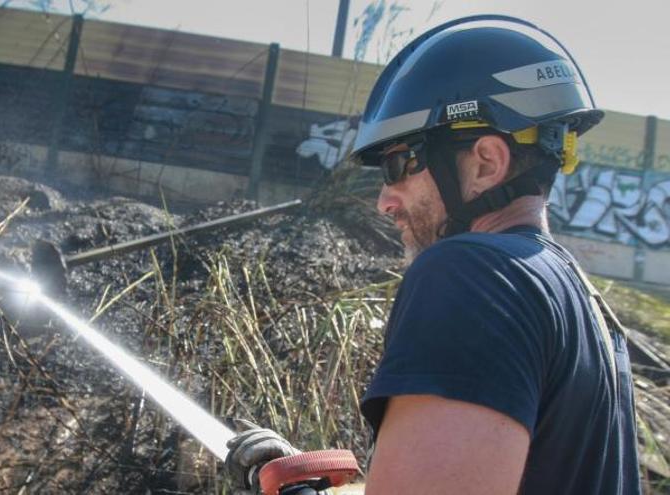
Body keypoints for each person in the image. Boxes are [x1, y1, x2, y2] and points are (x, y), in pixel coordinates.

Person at [224, 15, 641, 495]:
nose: (384, 200)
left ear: (486, 162)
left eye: (399, 163)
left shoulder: (475, 276)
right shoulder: (573, 293)